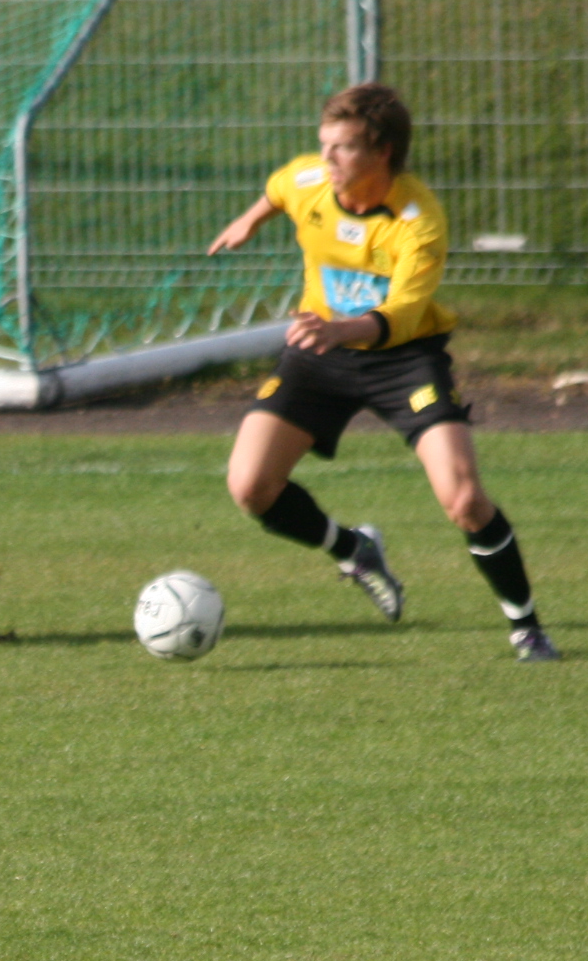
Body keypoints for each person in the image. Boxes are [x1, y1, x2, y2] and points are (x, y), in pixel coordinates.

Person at [207, 83, 559, 661]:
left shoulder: (419, 221)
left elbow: (402, 314)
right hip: (319, 352)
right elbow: (279, 187)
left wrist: (338, 328)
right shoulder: (311, 179)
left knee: (464, 498)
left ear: (383, 153)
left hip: (403, 358)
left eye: (343, 148)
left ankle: (527, 629)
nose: (327, 158)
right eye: (324, 144)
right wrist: (249, 220)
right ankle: (353, 550)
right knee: (250, 486)